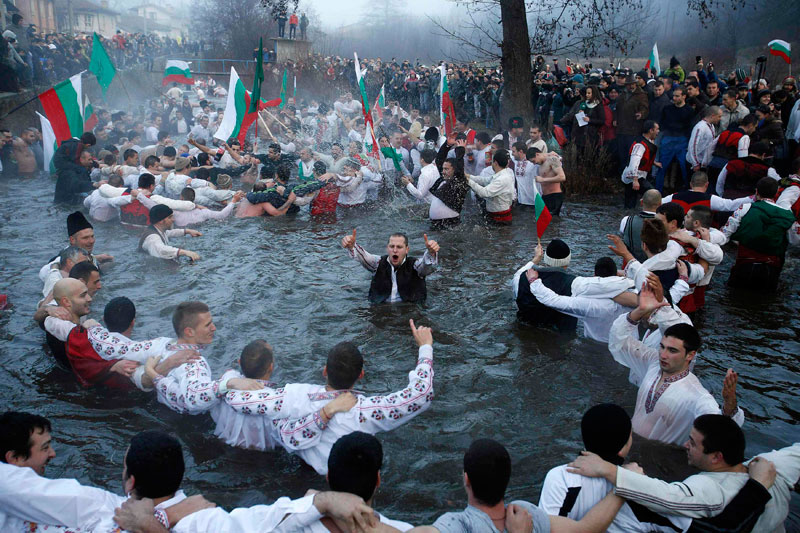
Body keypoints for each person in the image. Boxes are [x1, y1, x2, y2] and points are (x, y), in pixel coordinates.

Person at [0, 427, 377, 532]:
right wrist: (322, 501)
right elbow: (261, 521)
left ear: (128, 481)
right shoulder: (202, 519)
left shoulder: (95, 506)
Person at [225, 319, 435, 475]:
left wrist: (231, 381)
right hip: (347, 482)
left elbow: (239, 401)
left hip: (302, 478)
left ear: (324, 371)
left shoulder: (295, 395)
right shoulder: (367, 410)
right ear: (361, 375)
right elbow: (420, 395)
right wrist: (425, 348)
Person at [541, 405, 779, 533]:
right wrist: (756, 488)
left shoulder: (559, 478)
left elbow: (545, 527)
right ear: (627, 446)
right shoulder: (648, 491)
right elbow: (717, 529)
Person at [607, 275, 743, 446]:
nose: (663, 354)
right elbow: (619, 341)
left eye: (672, 350)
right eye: (662, 347)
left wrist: (730, 405)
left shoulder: (697, 395)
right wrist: (639, 311)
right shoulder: (653, 363)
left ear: (690, 355)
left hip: (660, 461)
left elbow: (721, 431)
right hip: (630, 446)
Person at [412, 438, 625, 533]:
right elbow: (586, 529)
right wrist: (623, 486)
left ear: (466, 479)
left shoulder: (457, 524)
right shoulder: (527, 516)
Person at [524, 258, 636, 343]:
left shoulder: (588, 305)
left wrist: (534, 281)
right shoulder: (638, 298)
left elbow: (553, 300)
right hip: (630, 349)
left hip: (595, 349)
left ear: (594, 275)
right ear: (616, 275)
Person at [720, 177, 799, 291]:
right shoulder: (788, 216)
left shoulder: (745, 208)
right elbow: (795, 241)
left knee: (733, 299)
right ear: (776, 193)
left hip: (744, 266)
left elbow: (724, 235)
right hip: (770, 270)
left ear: (756, 191)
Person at [342, 230, 439, 304]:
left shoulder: (415, 265)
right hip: (381, 310)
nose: (395, 250)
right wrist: (352, 246)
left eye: (399, 247)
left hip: (410, 311)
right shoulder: (377, 263)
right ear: (387, 248)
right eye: (392, 246)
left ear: (407, 250)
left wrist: (431, 252)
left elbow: (426, 266)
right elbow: (363, 256)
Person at [512, 240, 578, 332]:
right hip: (559, 339)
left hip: (525, 333)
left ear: (546, 258)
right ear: (568, 260)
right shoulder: (576, 284)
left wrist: (536, 258)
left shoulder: (521, 278)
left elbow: (518, 274)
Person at [655, 85, 694, 191]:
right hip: (668, 139)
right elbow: (661, 123)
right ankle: (657, 191)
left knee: (684, 167)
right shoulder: (667, 109)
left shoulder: (689, 111)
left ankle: (688, 191)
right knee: (662, 166)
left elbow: (690, 128)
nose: (674, 98)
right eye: (674, 96)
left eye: (677, 96)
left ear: (684, 96)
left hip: (682, 140)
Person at [467, 148, 515, 224]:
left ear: (495, 163)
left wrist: (468, 181)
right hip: (495, 215)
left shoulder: (502, 178)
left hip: (501, 218)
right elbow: (484, 180)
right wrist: (468, 176)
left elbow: (484, 193)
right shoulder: (501, 174)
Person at [621, 120, 660, 205]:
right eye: (657, 129)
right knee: (652, 194)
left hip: (639, 175)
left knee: (631, 201)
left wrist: (654, 163)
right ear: (651, 130)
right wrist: (635, 180)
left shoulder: (648, 142)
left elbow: (645, 157)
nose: (658, 131)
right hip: (633, 175)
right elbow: (634, 162)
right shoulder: (640, 145)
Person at [619, 189, 662, 264]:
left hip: (631, 265)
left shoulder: (626, 220)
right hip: (655, 268)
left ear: (641, 202)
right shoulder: (665, 224)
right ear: (661, 204)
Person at [529, 148, 566, 216]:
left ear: (537, 154)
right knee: (544, 221)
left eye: (533, 161)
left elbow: (562, 177)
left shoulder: (552, 159)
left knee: (552, 222)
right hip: (545, 196)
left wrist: (543, 179)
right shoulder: (541, 163)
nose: (534, 164)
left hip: (554, 196)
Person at [687, 106, 722, 173]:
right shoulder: (700, 127)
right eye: (719, 116)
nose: (720, 119)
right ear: (713, 116)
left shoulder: (712, 126)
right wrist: (695, 164)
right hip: (696, 163)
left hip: (703, 162)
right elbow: (693, 145)